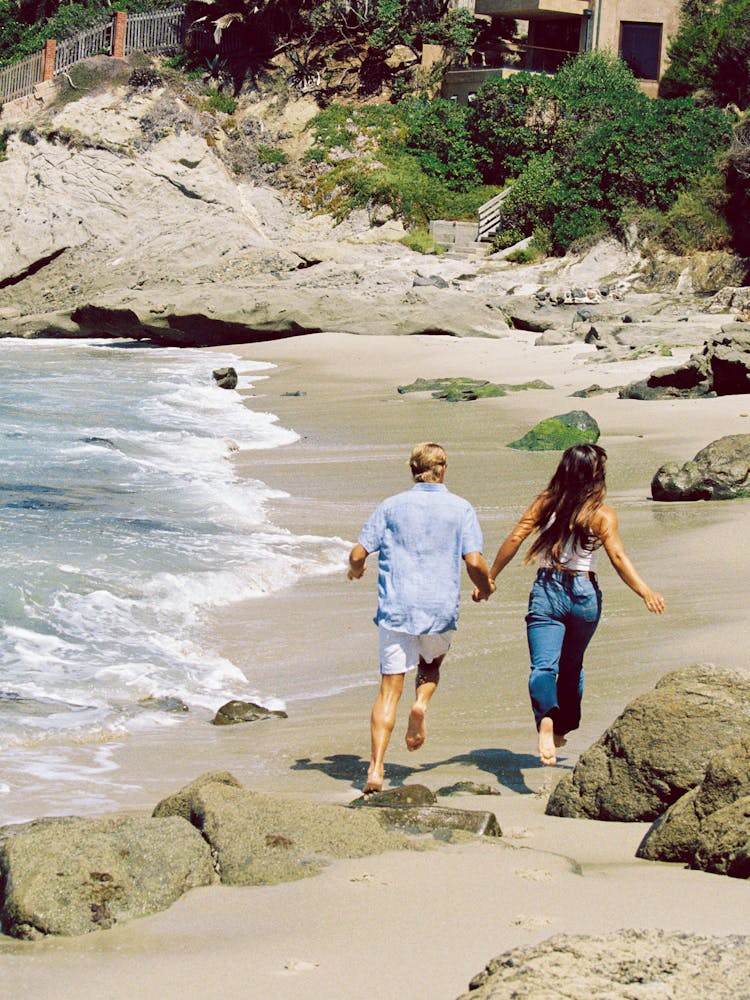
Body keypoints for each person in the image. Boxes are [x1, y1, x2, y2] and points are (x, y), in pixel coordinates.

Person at [480, 443, 665, 767]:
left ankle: (547, 721)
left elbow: (515, 538)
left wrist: (490, 579)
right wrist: (645, 591)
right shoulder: (603, 513)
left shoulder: (544, 502)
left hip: (547, 590)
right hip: (584, 595)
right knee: (572, 666)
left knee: (543, 668)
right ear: (595, 474)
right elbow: (618, 558)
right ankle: (563, 726)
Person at [348, 442, 494, 794]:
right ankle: (421, 703)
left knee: (387, 690)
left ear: (412, 469)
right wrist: (485, 587)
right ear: (442, 468)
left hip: (396, 609)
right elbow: (473, 561)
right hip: (438, 609)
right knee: (431, 665)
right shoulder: (461, 509)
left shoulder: (391, 506)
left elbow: (357, 553)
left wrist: (356, 571)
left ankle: (376, 769)